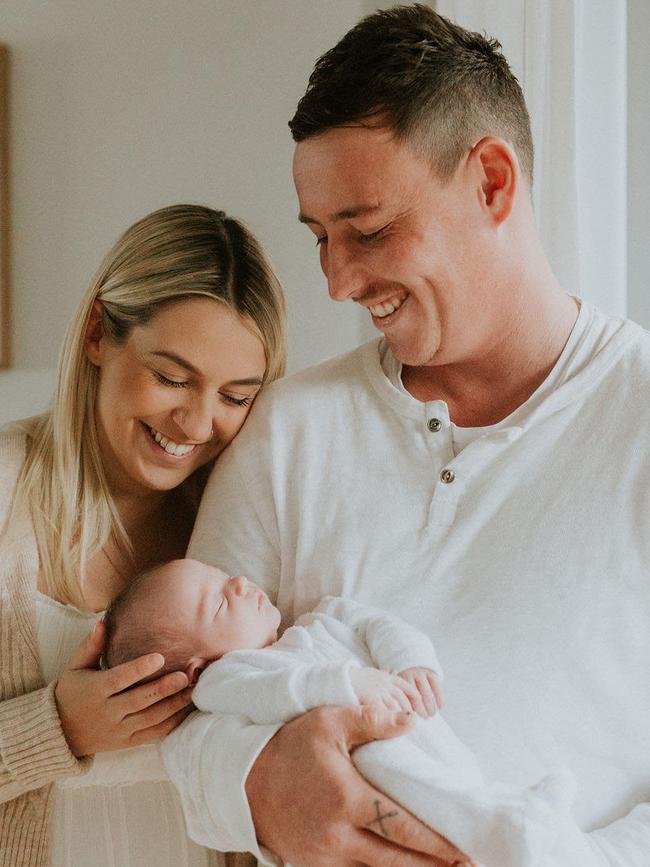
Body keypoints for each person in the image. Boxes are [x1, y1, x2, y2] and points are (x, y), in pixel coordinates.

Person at [163, 5, 650, 867]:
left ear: (492, 183)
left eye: (371, 229)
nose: (339, 281)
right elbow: (193, 717)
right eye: (320, 238)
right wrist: (262, 783)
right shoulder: (290, 431)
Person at [0, 204, 286, 867]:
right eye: (173, 377)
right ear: (99, 332)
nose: (196, 421)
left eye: (235, 395)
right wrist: (57, 727)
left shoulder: (247, 516)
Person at [104, 558, 577, 867]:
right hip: (359, 759)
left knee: (453, 771)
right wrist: (347, 682)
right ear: (199, 666)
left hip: (409, 725)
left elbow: (378, 624)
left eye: (227, 576)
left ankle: (513, 812)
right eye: (222, 601)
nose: (243, 584)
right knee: (403, 780)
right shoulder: (228, 678)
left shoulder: (321, 618)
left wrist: (412, 663)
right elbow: (278, 690)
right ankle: (511, 827)